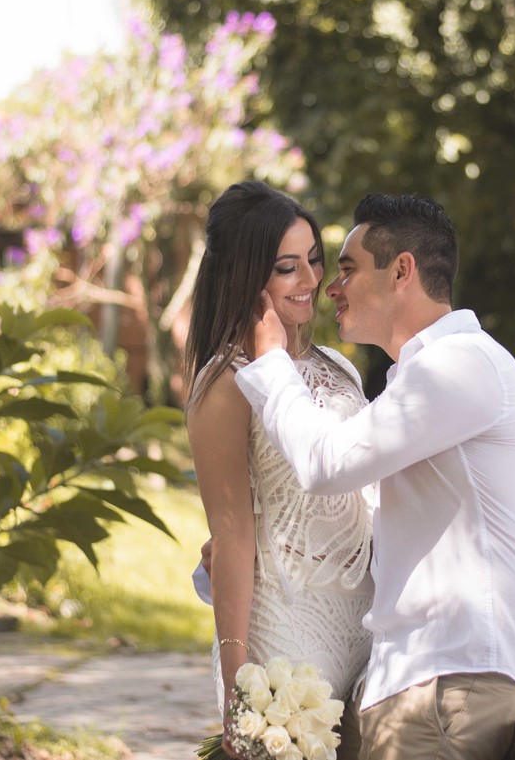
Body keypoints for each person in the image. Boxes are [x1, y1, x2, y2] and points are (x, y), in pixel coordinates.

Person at [235, 193, 515, 760]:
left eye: (348, 268)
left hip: (450, 681)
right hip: (418, 680)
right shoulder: (423, 377)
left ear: (402, 270)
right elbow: (374, 529)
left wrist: (269, 362)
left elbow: (326, 465)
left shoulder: (460, 365)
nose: (330, 286)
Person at [184, 180, 375, 760]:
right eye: (288, 267)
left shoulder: (338, 366)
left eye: (314, 260)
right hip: (288, 635)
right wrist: (237, 683)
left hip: (367, 628)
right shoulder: (224, 385)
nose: (313, 281)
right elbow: (233, 534)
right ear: (247, 276)